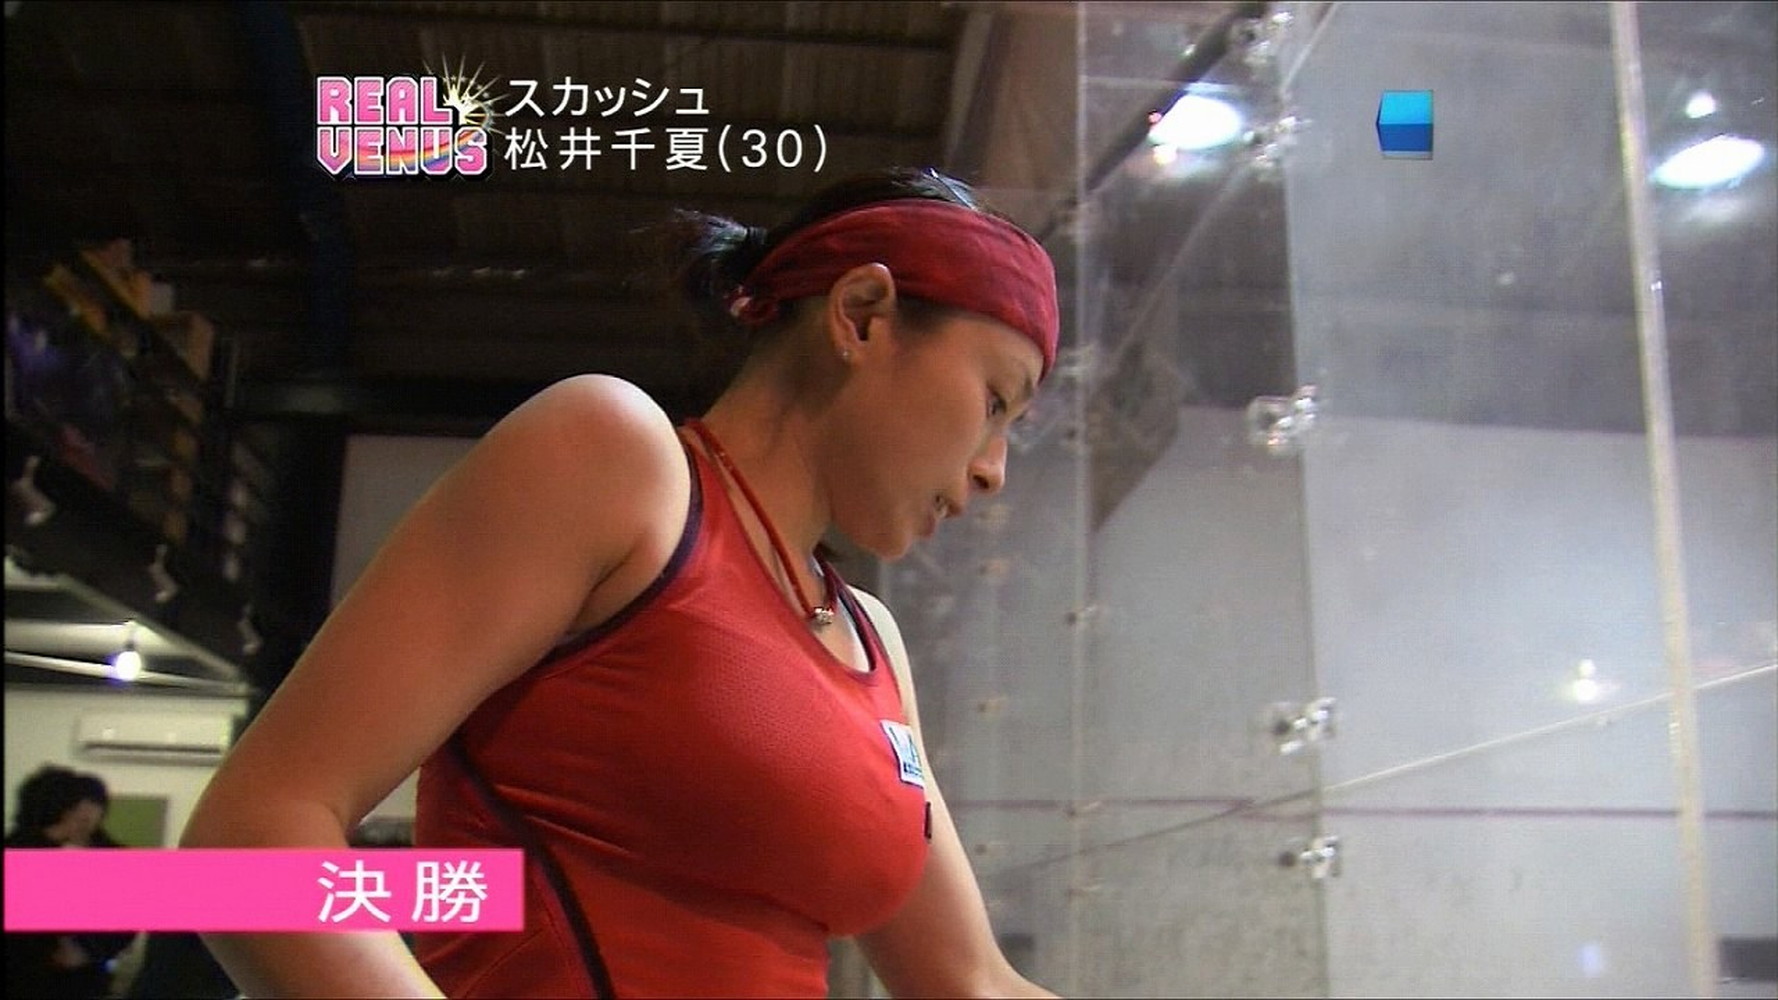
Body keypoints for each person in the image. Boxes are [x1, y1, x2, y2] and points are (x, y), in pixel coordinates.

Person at [181, 166, 1060, 998]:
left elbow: (974, 983)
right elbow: (248, 845)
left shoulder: (871, 641)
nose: (995, 471)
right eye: (995, 402)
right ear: (862, 316)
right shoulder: (617, 461)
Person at [5, 765, 140, 999]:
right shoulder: (23, 852)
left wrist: (88, 949)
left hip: (82, 981)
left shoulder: (111, 856)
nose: (85, 818)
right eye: (76, 810)